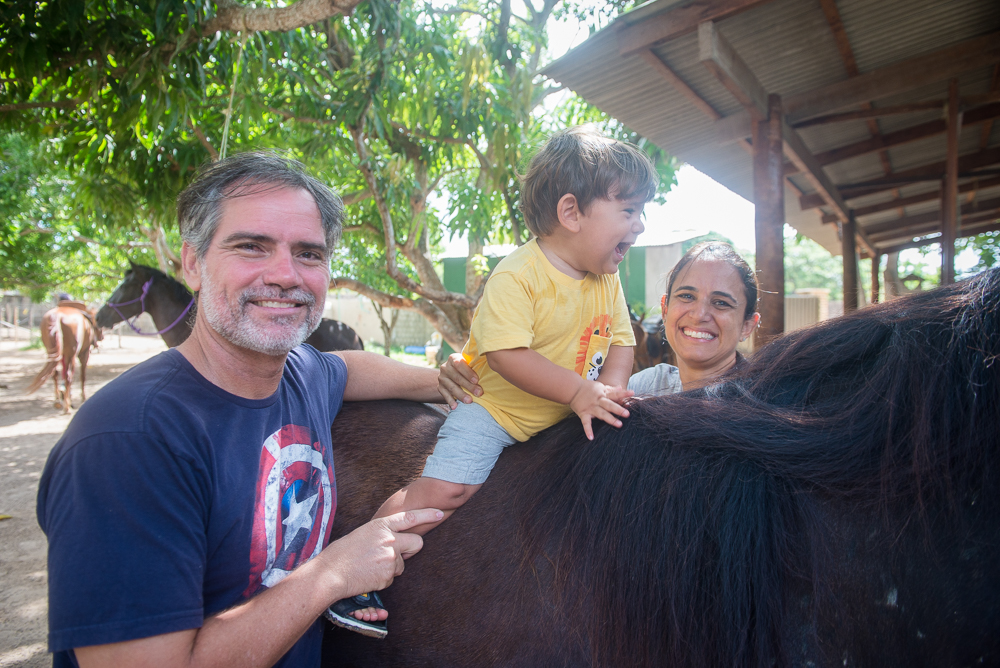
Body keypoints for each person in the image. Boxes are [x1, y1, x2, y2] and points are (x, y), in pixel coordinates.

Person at [36, 152, 446, 668]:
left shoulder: (301, 376)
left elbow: (350, 368)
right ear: (192, 263)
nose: (285, 275)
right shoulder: (128, 441)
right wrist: (334, 571)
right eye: (251, 246)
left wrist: (447, 382)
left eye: (309, 254)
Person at [329, 126, 659, 637]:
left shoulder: (607, 277)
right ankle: (360, 564)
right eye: (629, 211)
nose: (640, 226)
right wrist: (579, 392)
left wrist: (610, 391)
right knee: (447, 489)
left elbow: (620, 340)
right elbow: (506, 356)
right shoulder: (517, 276)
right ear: (571, 213)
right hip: (495, 410)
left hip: (562, 411)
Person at [439, 241, 760, 403]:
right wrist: (466, 371)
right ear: (664, 308)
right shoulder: (648, 388)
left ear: (748, 324)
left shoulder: (761, 404)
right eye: (686, 297)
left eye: (721, 303)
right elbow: (557, 397)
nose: (700, 314)